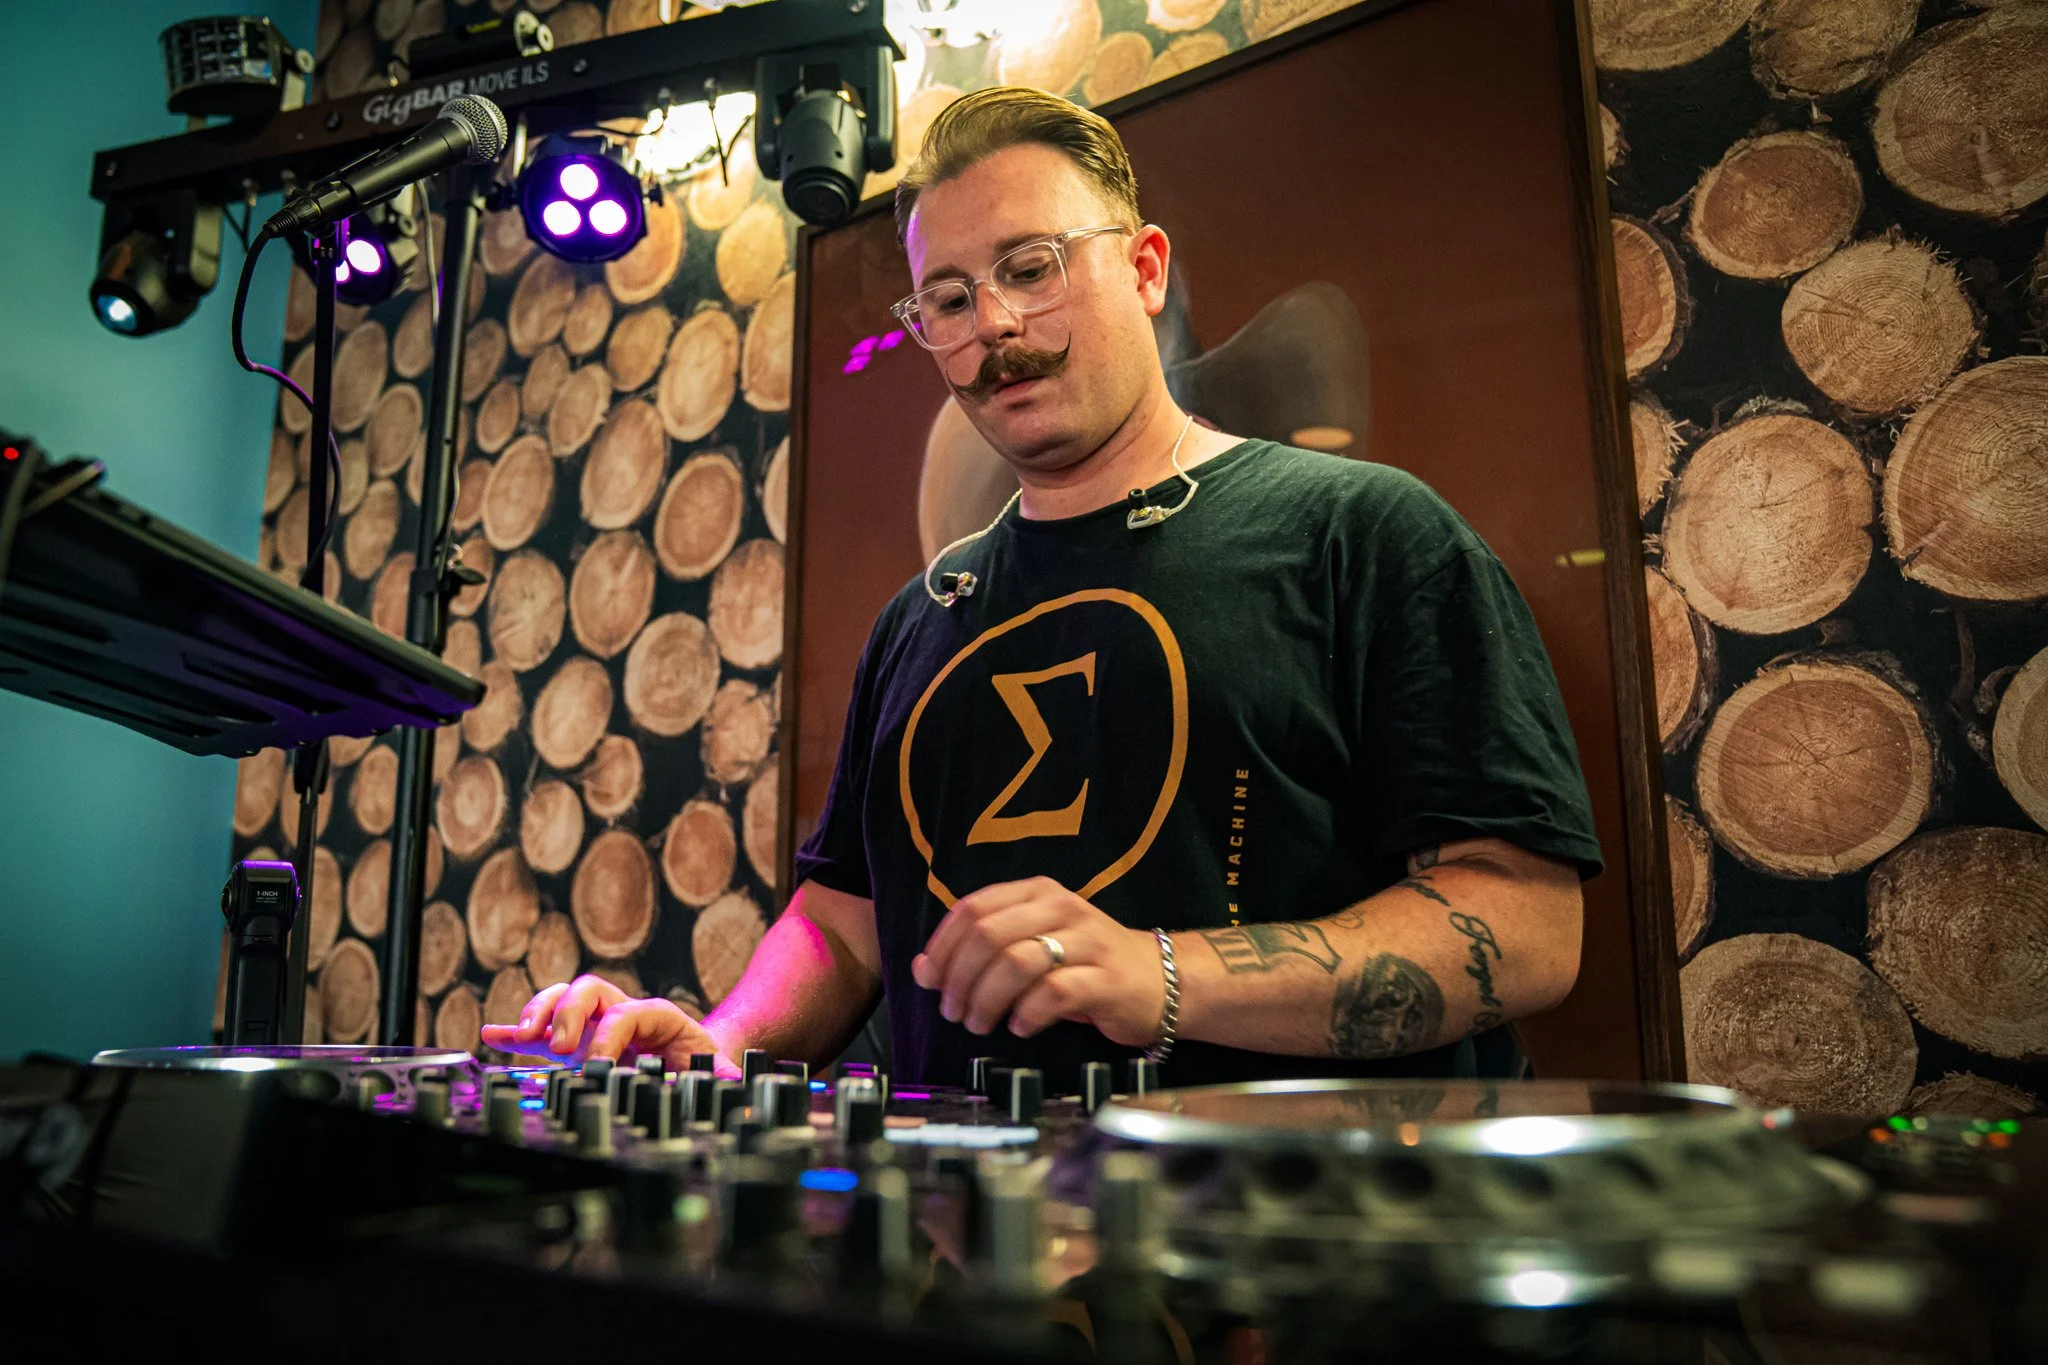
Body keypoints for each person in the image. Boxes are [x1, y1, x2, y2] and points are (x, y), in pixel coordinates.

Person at [483, 87, 1602, 1090]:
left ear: (1144, 270)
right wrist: (725, 1040)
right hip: (961, 1233)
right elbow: (843, 921)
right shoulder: (917, 620)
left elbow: (1527, 925)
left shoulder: (1364, 534)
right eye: (949, 298)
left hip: (1288, 1227)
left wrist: (1161, 975)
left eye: (1031, 268)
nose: (996, 327)